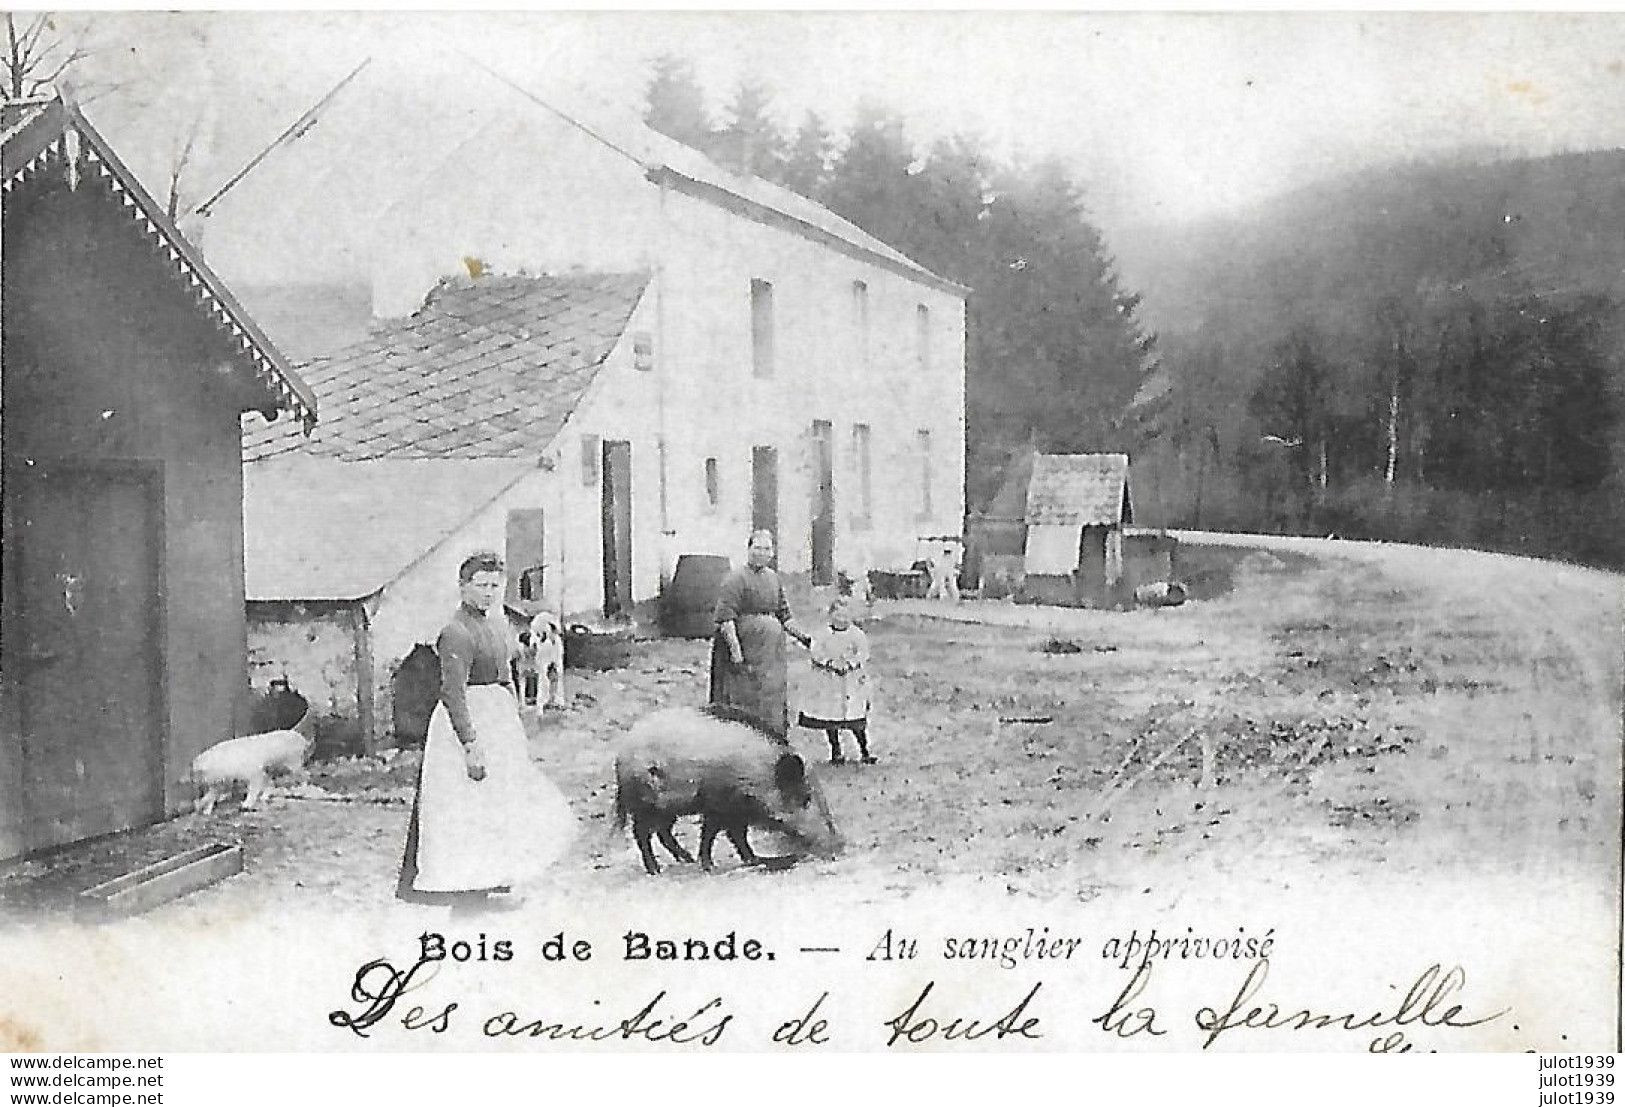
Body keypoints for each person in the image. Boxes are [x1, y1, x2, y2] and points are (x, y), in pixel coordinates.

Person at [396, 552, 578, 910]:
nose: (488, 593)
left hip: (497, 720)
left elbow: (506, 673)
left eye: (495, 586)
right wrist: (470, 744)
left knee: (501, 801)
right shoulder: (456, 632)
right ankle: (465, 888)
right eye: (481, 586)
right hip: (466, 722)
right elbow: (452, 691)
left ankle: (495, 877)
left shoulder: (497, 625)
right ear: (463, 587)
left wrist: (513, 720)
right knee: (466, 804)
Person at [710, 529, 810, 739]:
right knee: (743, 694)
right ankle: (740, 739)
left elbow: (785, 615)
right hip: (746, 649)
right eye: (757, 548)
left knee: (770, 692)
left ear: (772, 553)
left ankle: (771, 736)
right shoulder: (735, 578)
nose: (761, 553)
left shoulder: (773, 578)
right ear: (748, 549)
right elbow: (726, 619)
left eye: (766, 549)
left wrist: (804, 638)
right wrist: (736, 652)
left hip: (770, 654)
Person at [799, 597, 874, 764]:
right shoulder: (822, 634)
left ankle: (864, 749)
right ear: (830, 616)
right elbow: (816, 651)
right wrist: (830, 663)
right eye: (838, 616)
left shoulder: (856, 634)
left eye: (845, 617)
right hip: (829, 681)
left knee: (855, 718)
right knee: (830, 717)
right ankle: (836, 750)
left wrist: (850, 663)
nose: (841, 620)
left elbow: (863, 652)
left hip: (850, 681)